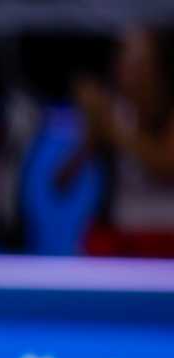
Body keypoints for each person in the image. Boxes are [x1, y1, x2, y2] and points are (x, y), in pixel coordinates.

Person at [56, 26, 174, 258]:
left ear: (160, 67)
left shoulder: (168, 115)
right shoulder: (114, 113)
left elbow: (165, 165)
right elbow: (61, 183)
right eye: (124, 62)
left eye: (139, 64)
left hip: (166, 234)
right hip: (123, 236)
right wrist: (91, 135)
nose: (128, 71)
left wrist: (113, 129)